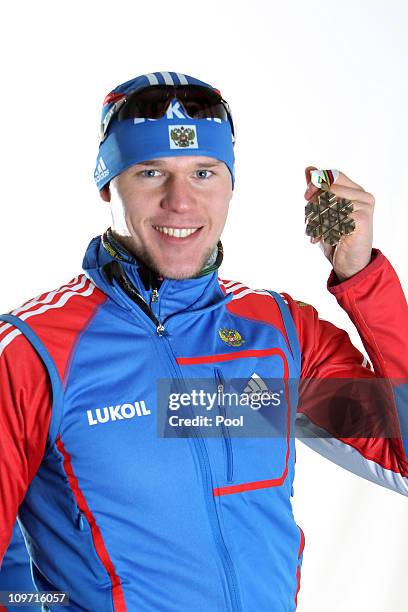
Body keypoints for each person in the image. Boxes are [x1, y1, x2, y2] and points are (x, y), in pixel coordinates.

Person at [0, 70, 407, 612]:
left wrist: (362, 277)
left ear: (231, 184)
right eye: (150, 173)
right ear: (107, 186)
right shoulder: (34, 351)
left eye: (203, 173)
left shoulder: (278, 333)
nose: (181, 202)